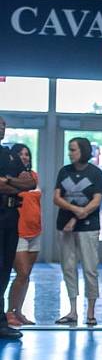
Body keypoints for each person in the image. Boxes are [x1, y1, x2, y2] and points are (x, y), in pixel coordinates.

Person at [53, 136, 102, 326]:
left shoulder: (95, 173)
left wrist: (79, 215)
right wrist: (76, 211)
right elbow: (57, 198)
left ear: (83, 151)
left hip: (88, 227)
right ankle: (73, 311)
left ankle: (91, 312)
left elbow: (97, 200)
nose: (70, 153)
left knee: (90, 268)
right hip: (65, 226)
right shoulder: (64, 171)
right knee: (68, 267)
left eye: (73, 150)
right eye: (69, 150)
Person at [0, 116, 35, 340]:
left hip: (11, 216)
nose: (2, 128)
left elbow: (30, 182)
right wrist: (13, 182)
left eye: (3, 125)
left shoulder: (9, 154)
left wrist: (8, 182)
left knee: (4, 269)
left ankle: (1, 322)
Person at [7, 144, 40, 327]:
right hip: (18, 231)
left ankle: (18, 311)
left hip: (35, 231)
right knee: (22, 272)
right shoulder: (11, 177)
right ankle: (9, 312)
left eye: (27, 154)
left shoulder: (34, 176)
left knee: (27, 276)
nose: (25, 157)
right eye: (21, 154)